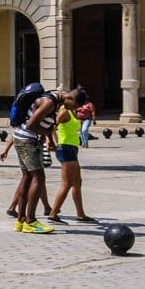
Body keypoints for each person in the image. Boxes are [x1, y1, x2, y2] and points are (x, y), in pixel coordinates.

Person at [1, 87, 73, 234]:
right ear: (69, 98)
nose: (73, 109)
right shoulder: (49, 102)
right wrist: (48, 134)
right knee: (38, 178)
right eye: (74, 105)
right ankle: (31, 221)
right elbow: (31, 125)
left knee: (27, 178)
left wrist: (48, 138)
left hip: (23, 138)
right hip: (28, 140)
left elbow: (40, 123)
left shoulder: (54, 100)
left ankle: (21, 220)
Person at [48, 88, 99, 224]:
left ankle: (80, 214)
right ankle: (53, 214)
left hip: (72, 148)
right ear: (70, 99)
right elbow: (52, 126)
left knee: (77, 182)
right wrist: (52, 141)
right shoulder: (64, 111)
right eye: (76, 105)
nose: (77, 108)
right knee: (67, 184)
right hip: (65, 148)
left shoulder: (71, 110)